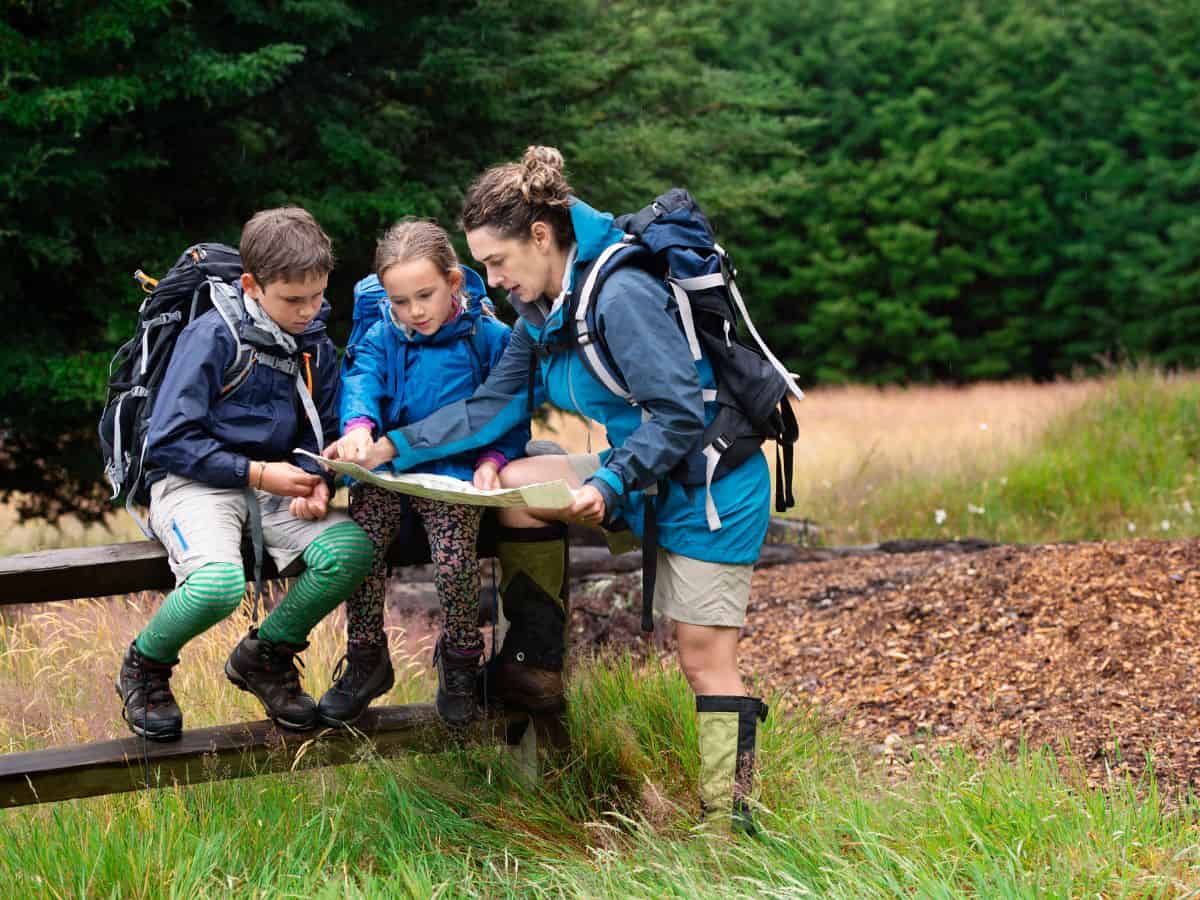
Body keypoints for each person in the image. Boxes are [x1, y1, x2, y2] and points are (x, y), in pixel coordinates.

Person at [332, 147, 772, 831]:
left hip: (710, 482)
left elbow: (681, 411)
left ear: (541, 236)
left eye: (497, 261)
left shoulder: (620, 296)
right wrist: (390, 447)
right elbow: (490, 407)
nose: (490, 278)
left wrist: (613, 478)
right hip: (642, 476)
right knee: (515, 476)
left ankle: (730, 825)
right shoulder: (540, 307)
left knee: (702, 654)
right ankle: (533, 663)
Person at [115, 206, 373, 741]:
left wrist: (317, 479)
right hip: (193, 483)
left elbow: (318, 432)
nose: (308, 311)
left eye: (317, 296)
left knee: (351, 550)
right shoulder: (212, 337)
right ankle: (146, 666)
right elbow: (168, 440)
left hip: (275, 487)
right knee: (216, 584)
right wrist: (258, 473)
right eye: (293, 300)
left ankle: (265, 655)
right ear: (253, 285)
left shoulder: (315, 345)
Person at [316, 220, 528, 728]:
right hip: (388, 472)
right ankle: (367, 658)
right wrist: (359, 429)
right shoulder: (380, 333)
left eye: (425, 295)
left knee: (455, 562)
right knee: (359, 548)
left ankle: (459, 661)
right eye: (399, 300)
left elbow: (508, 412)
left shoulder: (490, 339)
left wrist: (492, 460)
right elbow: (361, 382)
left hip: (451, 475)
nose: (414, 311)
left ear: (454, 283)